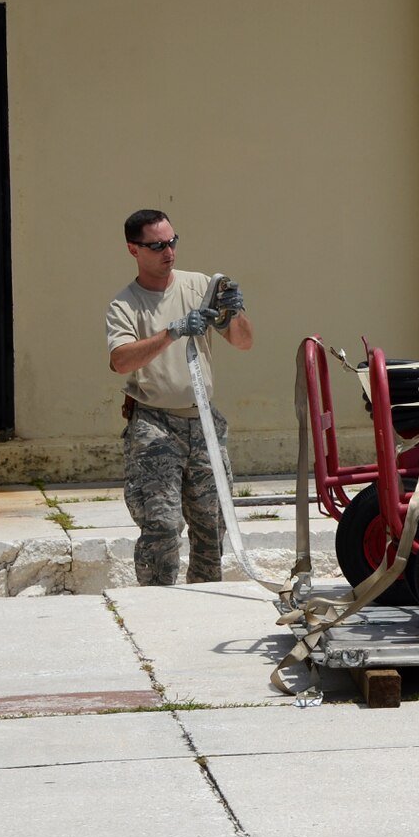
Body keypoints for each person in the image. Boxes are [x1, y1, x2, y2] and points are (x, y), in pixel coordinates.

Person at [106, 209, 252, 586]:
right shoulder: (126, 304)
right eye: (156, 245)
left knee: (211, 521)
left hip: (202, 422)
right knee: (161, 524)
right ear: (133, 250)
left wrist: (234, 311)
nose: (168, 251)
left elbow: (243, 342)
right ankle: (157, 604)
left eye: (172, 241)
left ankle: (203, 602)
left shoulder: (199, 285)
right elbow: (120, 361)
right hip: (155, 425)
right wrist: (170, 333)